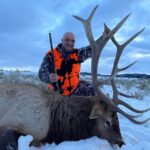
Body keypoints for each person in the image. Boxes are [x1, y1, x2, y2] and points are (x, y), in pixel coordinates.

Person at [38, 32, 95, 96]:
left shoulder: (78, 54)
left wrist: (103, 38)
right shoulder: (50, 55)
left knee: (93, 89)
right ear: (62, 40)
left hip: (74, 90)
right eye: (67, 40)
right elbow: (41, 74)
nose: (70, 43)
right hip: (55, 93)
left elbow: (93, 48)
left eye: (72, 41)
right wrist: (49, 77)